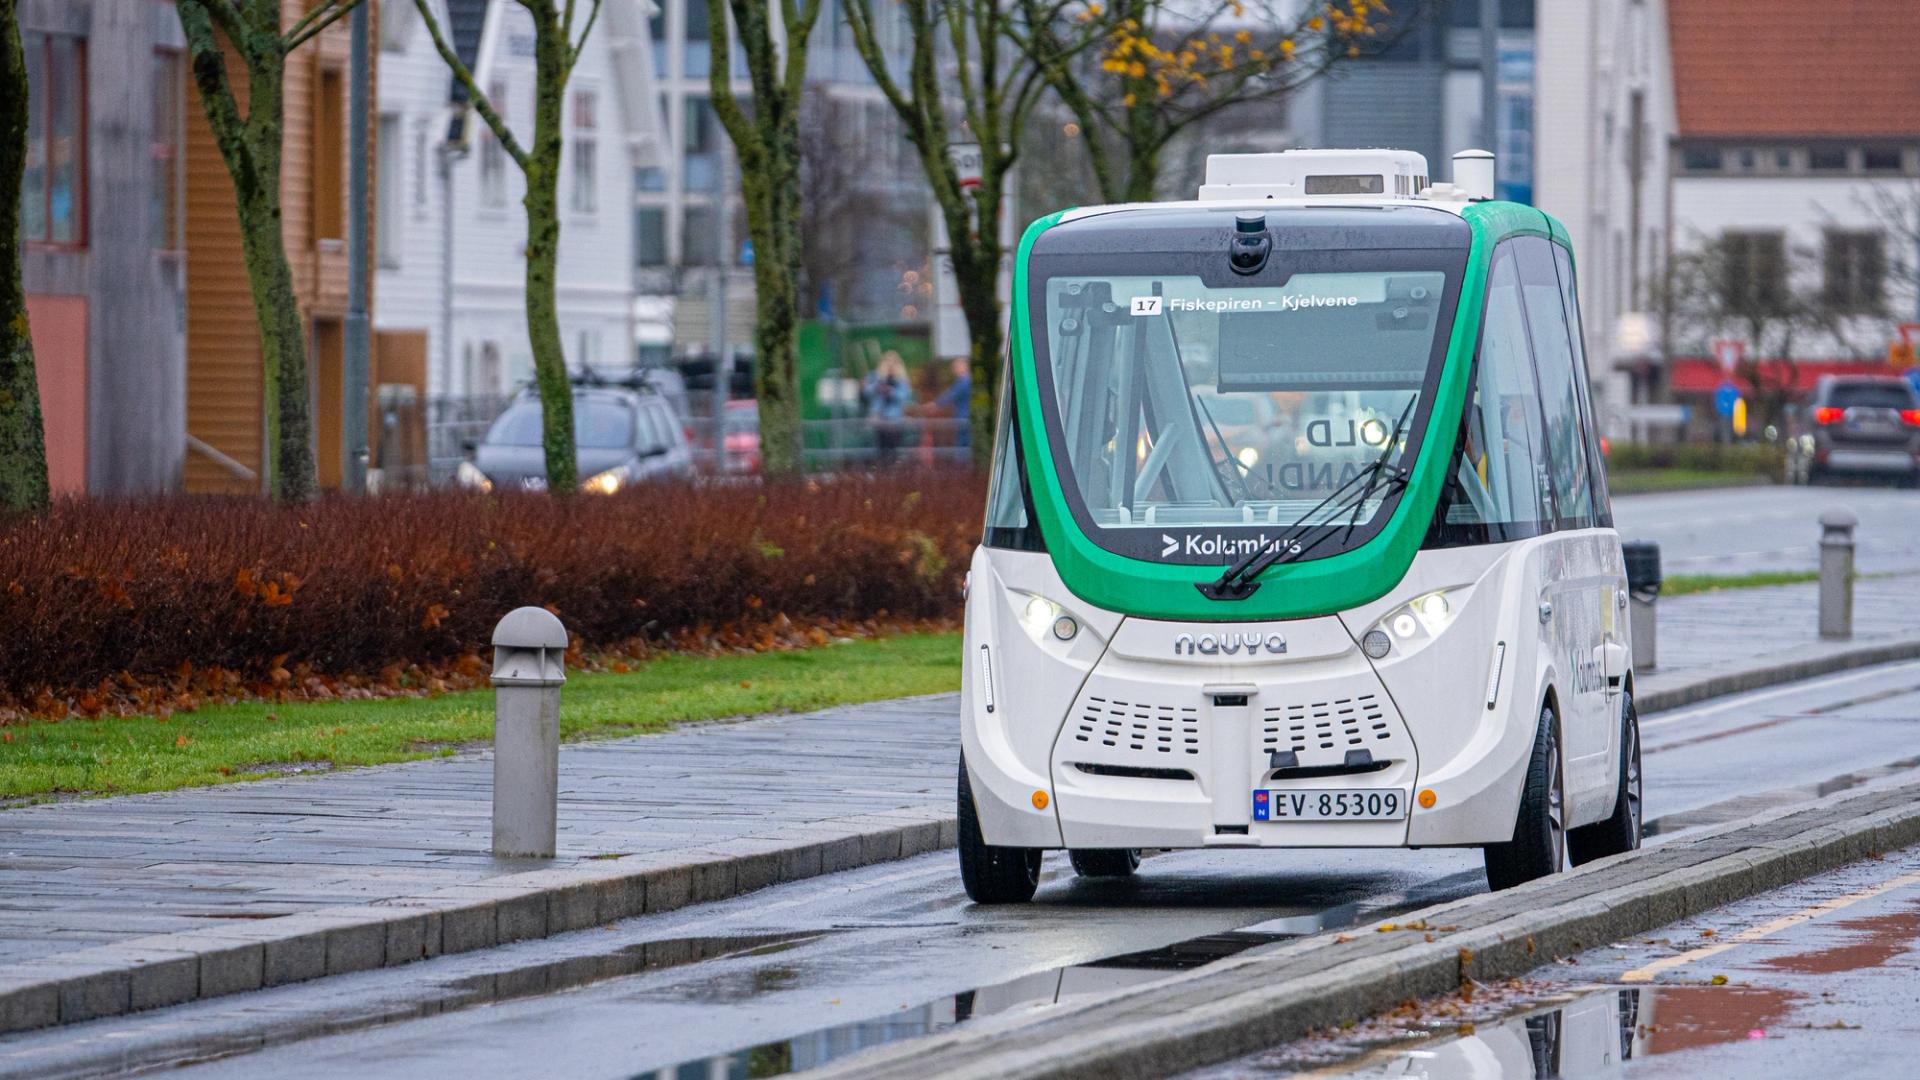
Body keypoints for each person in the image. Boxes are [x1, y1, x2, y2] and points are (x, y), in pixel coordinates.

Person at [862, 351, 914, 465]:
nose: (890, 366)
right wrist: (877, 387)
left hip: (894, 419)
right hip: (879, 418)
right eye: (887, 362)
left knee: (893, 448)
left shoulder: (902, 380)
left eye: (893, 363)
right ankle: (879, 469)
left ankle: (891, 470)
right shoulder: (875, 377)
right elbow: (866, 392)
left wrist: (891, 391)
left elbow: (905, 396)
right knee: (879, 448)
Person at [931, 357, 973, 450]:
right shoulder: (967, 381)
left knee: (962, 446)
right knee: (964, 445)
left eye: (956, 367)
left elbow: (951, 394)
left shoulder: (964, 381)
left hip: (964, 417)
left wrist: (935, 404)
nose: (954, 370)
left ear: (964, 367)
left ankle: (961, 464)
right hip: (965, 417)